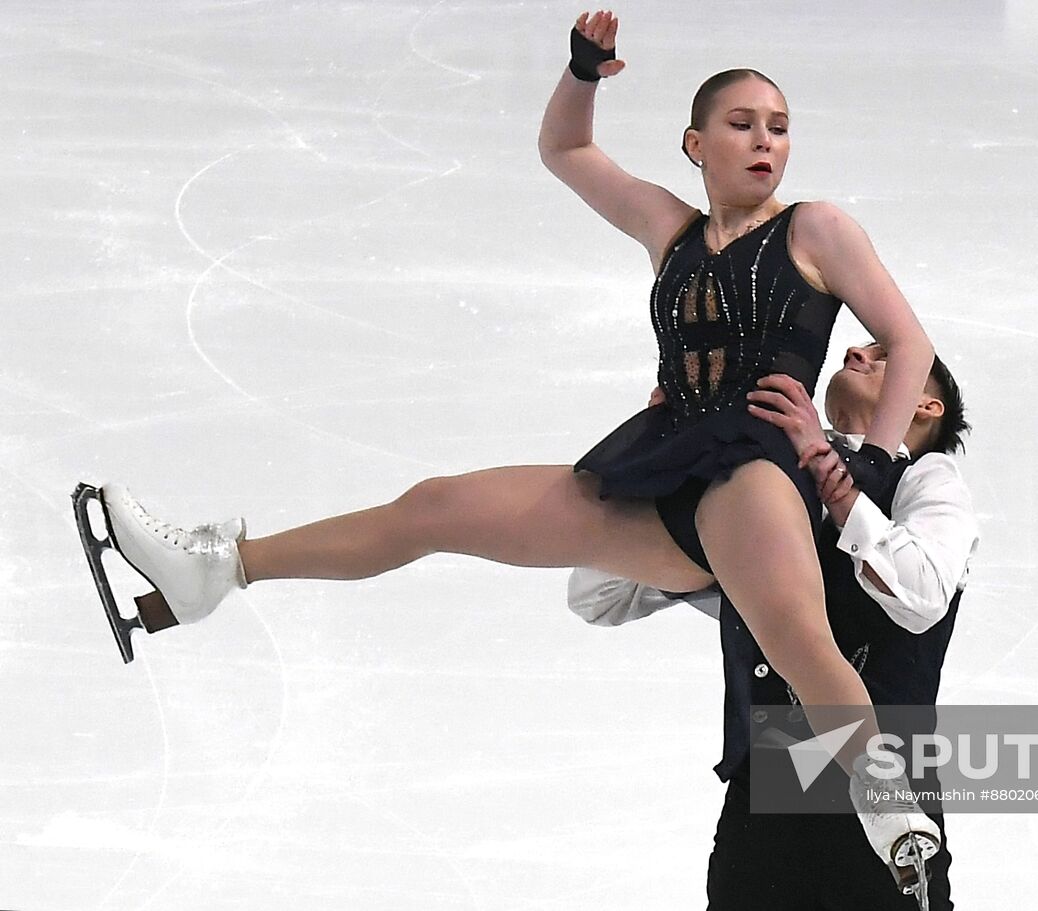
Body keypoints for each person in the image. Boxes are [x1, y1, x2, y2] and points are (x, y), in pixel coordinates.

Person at [71, 10, 943, 895]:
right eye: (743, 124)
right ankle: (214, 570)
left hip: (754, 465)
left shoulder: (816, 228)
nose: (766, 142)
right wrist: (582, 71)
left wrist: (866, 466)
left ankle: (888, 809)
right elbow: (565, 150)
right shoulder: (669, 229)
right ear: (695, 142)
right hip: (657, 463)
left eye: (780, 128)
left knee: (796, 636)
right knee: (437, 506)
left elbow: (906, 340)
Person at [569, 343, 977, 909]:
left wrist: (826, 470)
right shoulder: (760, 491)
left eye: (882, 357)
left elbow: (923, 592)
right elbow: (598, 596)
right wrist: (667, 456)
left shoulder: (927, 479)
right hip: (762, 809)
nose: (857, 348)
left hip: (886, 812)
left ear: (925, 406)